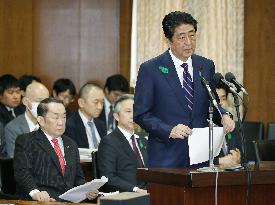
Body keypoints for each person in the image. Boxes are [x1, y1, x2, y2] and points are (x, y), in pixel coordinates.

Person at [134, 11, 235, 168]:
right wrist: (169, 130)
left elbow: (211, 104)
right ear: (168, 40)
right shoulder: (151, 69)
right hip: (167, 157)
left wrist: (224, 116)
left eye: (192, 35)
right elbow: (141, 114)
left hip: (201, 158)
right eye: (181, 37)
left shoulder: (205, 65)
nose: (189, 42)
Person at [13, 98, 98, 201]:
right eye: (55, 117)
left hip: (68, 202)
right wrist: (36, 193)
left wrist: (86, 189)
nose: (61, 122)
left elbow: (78, 178)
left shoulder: (71, 144)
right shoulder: (27, 141)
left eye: (64, 117)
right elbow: (22, 172)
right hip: (42, 201)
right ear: (41, 120)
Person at [98, 95, 147, 193]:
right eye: (128, 111)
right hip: (127, 194)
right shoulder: (109, 142)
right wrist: (135, 190)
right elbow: (108, 178)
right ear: (116, 116)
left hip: (150, 191)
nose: (133, 115)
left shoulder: (144, 140)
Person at [4, 82, 49, 157]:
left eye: (46, 102)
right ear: (26, 102)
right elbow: (15, 161)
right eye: (38, 101)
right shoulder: (13, 128)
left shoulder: (52, 124)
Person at [65, 83, 106, 148]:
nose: (100, 107)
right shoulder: (69, 126)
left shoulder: (101, 125)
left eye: (102, 102)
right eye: (96, 102)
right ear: (81, 103)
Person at [215, 85, 241, 167]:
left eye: (223, 99)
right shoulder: (201, 126)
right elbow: (194, 161)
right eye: (216, 99)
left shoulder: (231, 125)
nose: (220, 103)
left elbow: (241, 154)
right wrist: (220, 161)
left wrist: (238, 157)